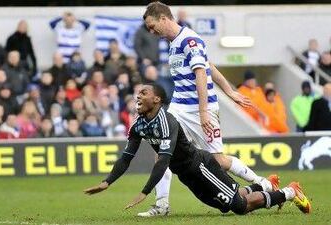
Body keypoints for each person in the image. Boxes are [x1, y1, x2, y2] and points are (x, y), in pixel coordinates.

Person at [84, 83, 311, 216]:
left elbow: (163, 160)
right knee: (227, 203)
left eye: (143, 93)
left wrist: (144, 191)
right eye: (138, 93)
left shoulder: (167, 121)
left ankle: (290, 193)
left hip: (200, 165)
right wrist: (107, 181)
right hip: (187, 174)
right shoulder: (139, 124)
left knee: (238, 206)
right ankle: (264, 186)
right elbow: (126, 157)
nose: (138, 96)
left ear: (157, 99)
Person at [141, 1, 272, 216]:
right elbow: (210, 65)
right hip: (179, 107)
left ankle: (262, 183)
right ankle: (161, 205)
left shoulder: (190, 40)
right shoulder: (173, 42)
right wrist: (229, 90)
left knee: (218, 159)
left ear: (164, 18)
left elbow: (202, 72)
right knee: (162, 151)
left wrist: (204, 111)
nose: (151, 31)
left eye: (152, 25)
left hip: (199, 108)